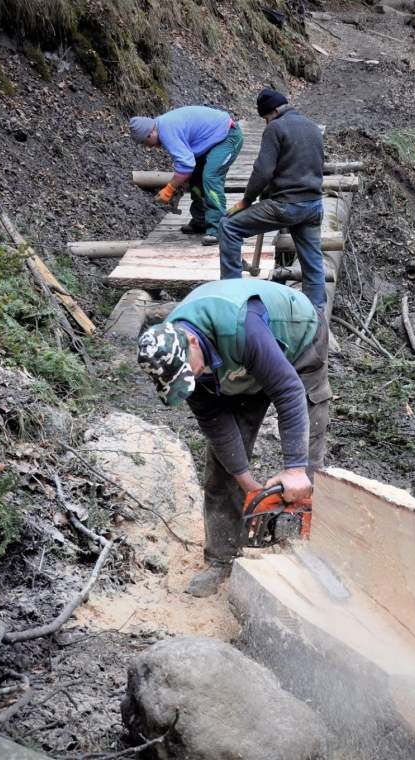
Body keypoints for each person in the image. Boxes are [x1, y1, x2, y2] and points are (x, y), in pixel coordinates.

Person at [137, 279, 331, 597]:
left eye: (191, 374)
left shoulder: (240, 327)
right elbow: (217, 423)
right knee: (221, 463)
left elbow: (288, 390)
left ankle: (310, 555)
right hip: (239, 364)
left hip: (298, 339)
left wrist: (295, 469)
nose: (192, 383)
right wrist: (248, 485)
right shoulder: (177, 361)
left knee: (306, 460)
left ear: (192, 342)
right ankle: (221, 560)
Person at [218, 88, 326, 310]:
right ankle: (317, 313)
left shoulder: (276, 128)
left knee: (228, 226)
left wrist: (247, 200)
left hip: (286, 205)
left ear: (275, 111)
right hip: (314, 205)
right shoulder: (312, 127)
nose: (266, 123)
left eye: (266, 118)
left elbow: (263, 170)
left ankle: (230, 297)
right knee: (313, 263)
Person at [129, 106, 243, 245]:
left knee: (210, 177)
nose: (147, 146)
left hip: (227, 136)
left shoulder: (166, 131)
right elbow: (188, 165)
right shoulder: (163, 125)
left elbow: (185, 167)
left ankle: (218, 229)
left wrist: (169, 189)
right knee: (196, 177)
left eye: (144, 142)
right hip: (212, 139)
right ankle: (201, 221)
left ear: (150, 133)